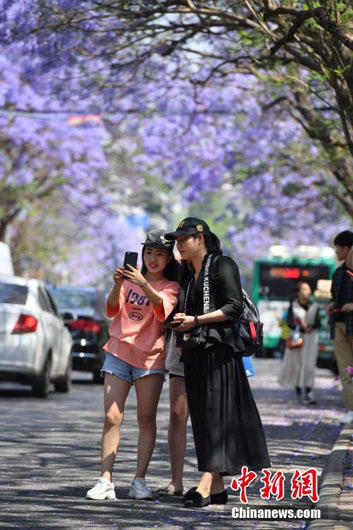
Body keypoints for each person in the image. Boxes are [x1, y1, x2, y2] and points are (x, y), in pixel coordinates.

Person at [165, 217, 270, 508]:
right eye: (177, 240)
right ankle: (219, 488)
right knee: (201, 419)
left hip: (220, 353)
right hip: (195, 352)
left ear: (201, 239)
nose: (179, 245)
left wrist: (196, 320)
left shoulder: (223, 265)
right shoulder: (188, 274)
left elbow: (234, 306)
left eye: (183, 239)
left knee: (215, 419)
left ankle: (206, 483)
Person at [86, 230, 179, 501]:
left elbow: (164, 309)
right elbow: (111, 310)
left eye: (159, 254)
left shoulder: (171, 287)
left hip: (150, 359)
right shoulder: (129, 280)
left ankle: (139, 480)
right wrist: (118, 284)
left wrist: (145, 283)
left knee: (146, 419)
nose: (152, 259)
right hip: (118, 352)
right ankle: (105, 480)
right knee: (112, 417)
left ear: (168, 259)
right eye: (149, 253)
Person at [277, 281, 321, 404]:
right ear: (298, 293)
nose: (308, 291)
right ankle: (298, 390)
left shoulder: (315, 306)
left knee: (309, 364)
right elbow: (290, 322)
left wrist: (311, 327)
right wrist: (302, 328)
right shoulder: (293, 306)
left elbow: (318, 322)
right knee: (296, 364)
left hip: (311, 339)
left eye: (308, 289)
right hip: (297, 338)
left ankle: (308, 391)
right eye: (304, 289)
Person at [157, 333, 189, 497]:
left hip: (211, 349)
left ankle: (213, 480)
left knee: (209, 419)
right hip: (181, 348)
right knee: (177, 415)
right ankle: (176, 481)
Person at [327, 230, 353, 424]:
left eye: (338, 247)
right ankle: (351, 409)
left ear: (347, 249)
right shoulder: (337, 273)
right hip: (339, 325)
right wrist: (332, 305)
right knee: (345, 370)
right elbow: (335, 297)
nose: (336, 251)